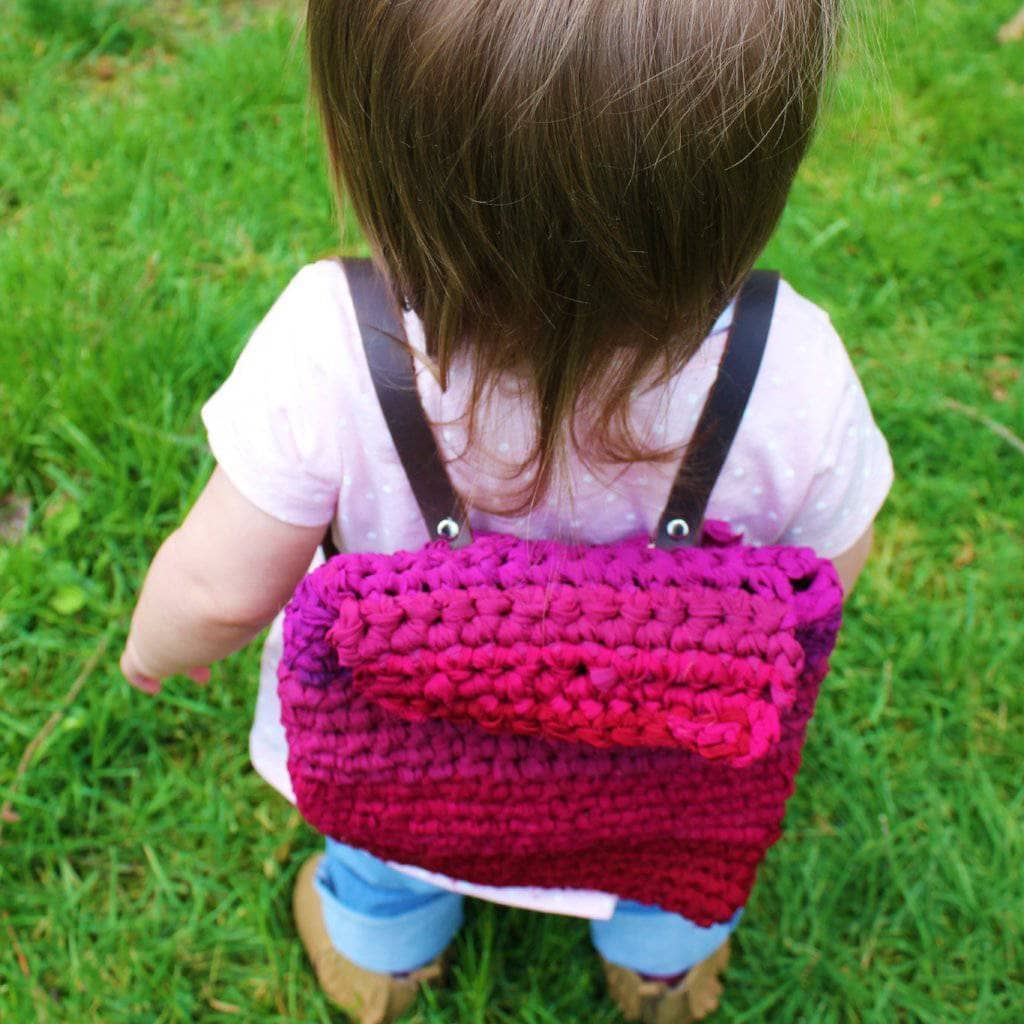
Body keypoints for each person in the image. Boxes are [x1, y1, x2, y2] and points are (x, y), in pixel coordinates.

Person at [121, 1, 893, 1020]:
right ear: (760, 168)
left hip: (399, 758)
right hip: (665, 776)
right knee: (685, 857)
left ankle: (383, 959)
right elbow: (830, 569)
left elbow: (220, 587)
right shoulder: (790, 363)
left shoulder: (327, 343)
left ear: (368, 153)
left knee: (379, 847)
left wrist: (156, 647)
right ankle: (661, 970)